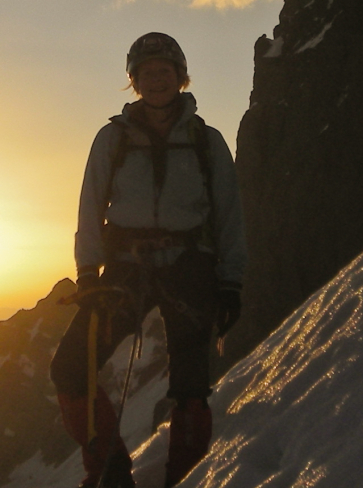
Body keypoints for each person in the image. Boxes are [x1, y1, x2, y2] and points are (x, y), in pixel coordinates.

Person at [51, 32, 246, 488]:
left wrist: (230, 281)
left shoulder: (206, 141)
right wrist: (87, 273)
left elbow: (230, 213)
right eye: (146, 73)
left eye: (165, 71)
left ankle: (184, 478)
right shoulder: (112, 139)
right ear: (133, 83)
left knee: (191, 386)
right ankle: (110, 472)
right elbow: (90, 206)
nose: (156, 80)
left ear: (181, 77)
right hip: (126, 268)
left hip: (192, 266)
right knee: (70, 366)